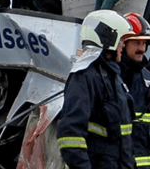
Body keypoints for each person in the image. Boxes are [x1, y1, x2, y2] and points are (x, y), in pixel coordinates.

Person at [57, 9, 136, 169]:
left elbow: (124, 142)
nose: (122, 45)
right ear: (108, 39)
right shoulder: (84, 77)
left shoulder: (115, 79)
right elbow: (70, 136)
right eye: (121, 40)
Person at [120, 13, 150, 168]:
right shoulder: (109, 76)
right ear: (123, 43)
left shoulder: (149, 80)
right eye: (136, 43)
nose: (142, 49)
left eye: (144, 43)